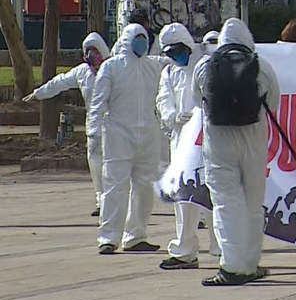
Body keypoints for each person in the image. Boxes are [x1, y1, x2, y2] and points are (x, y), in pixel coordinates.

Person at [192, 18, 280, 286]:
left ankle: (232, 266)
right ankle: (251, 264)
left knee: (225, 201)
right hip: (253, 138)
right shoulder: (261, 66)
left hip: (218, 141)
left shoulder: (205, 66)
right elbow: (273, 104)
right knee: (253, 202)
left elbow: (197, 102)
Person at [88, 24, 166, 254]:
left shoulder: (153, 65)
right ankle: (108, 237)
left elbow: (180, 63)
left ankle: (135, 235)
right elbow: (98, 102)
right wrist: (94, 131)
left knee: (143, 188)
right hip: (118, 135)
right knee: (115, 187)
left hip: (148, 135)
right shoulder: (111, 67)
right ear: (127, 39)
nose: (141, 43)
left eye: (144, 38)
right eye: (137, 38)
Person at [23, 32, 111, 216]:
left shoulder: (114, 68)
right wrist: (39, 93)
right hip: (94, 127)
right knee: (95, 165)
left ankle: (116, 201)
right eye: (89, 54)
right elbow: (59, 82)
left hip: (115, 126)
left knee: (114, 166)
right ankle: (102, 202)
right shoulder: (82, 72)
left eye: (96, 53)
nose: (93, 58)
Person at [156, 23, 216, 270]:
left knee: (215, 197)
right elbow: (163, 100)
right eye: (170, 53)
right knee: (184, 199)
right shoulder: (170, 73)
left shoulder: (208, 64)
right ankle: (185, 250)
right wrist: (172, 117)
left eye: (178, 51)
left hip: (208, 141)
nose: (175, 56)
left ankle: (223, 249)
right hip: (181, 144)